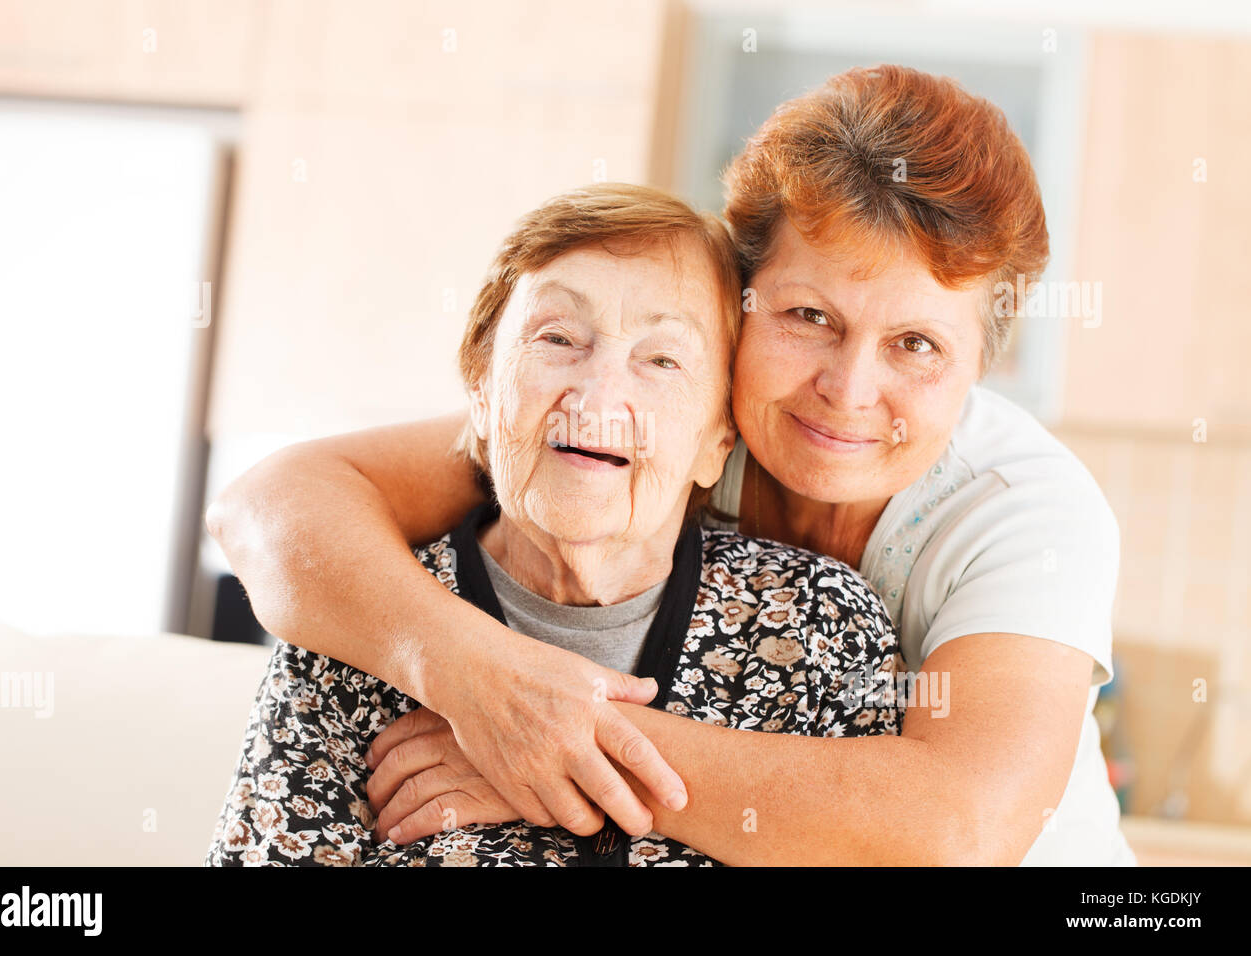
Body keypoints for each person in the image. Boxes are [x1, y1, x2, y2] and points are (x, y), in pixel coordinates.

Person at [207, 65, 1134, 865]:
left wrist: (560, 748)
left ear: (981, 368)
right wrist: (475, 678)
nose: (848, 391)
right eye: (808, 317)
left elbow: (955, 829)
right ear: (741, 304)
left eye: (918, 345)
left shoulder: (1023, 512)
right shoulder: (656, 423)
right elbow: (271, 508)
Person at [206, 183, 900, 866]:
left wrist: (578, 761)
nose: (601, 396)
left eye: (662, 360)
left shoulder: (817, 627)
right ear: (480, 385)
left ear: (718, 436)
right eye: (559, 337)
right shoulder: (352, 625)